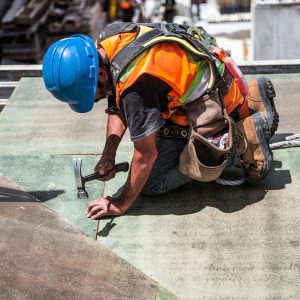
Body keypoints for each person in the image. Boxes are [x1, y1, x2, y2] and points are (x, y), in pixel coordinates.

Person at [42, 23, 279, 220]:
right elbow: (117, 101)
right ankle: (252, 100)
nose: (93, 102)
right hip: (217, 81)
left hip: (214, 105)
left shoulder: (137, 86)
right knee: (148, 130)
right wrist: (109, 154)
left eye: (90, 95)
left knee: (152, 182)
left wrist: (120, 203)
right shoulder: (109, 40)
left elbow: (146, 155)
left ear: (100, 75)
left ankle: (242, 142)